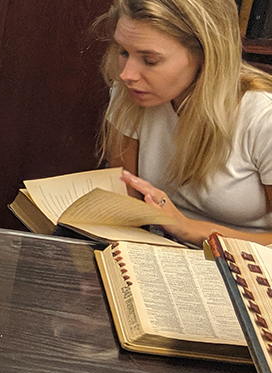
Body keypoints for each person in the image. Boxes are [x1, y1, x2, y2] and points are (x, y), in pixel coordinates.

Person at [100, 0, 272, 245]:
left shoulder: (263, 117)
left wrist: (190, 229)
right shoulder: (130, 92)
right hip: (163, 247)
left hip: (248, 264)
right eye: (124, 52)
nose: (127, 74)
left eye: (150, 60)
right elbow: (127, 198)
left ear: (205, 55)